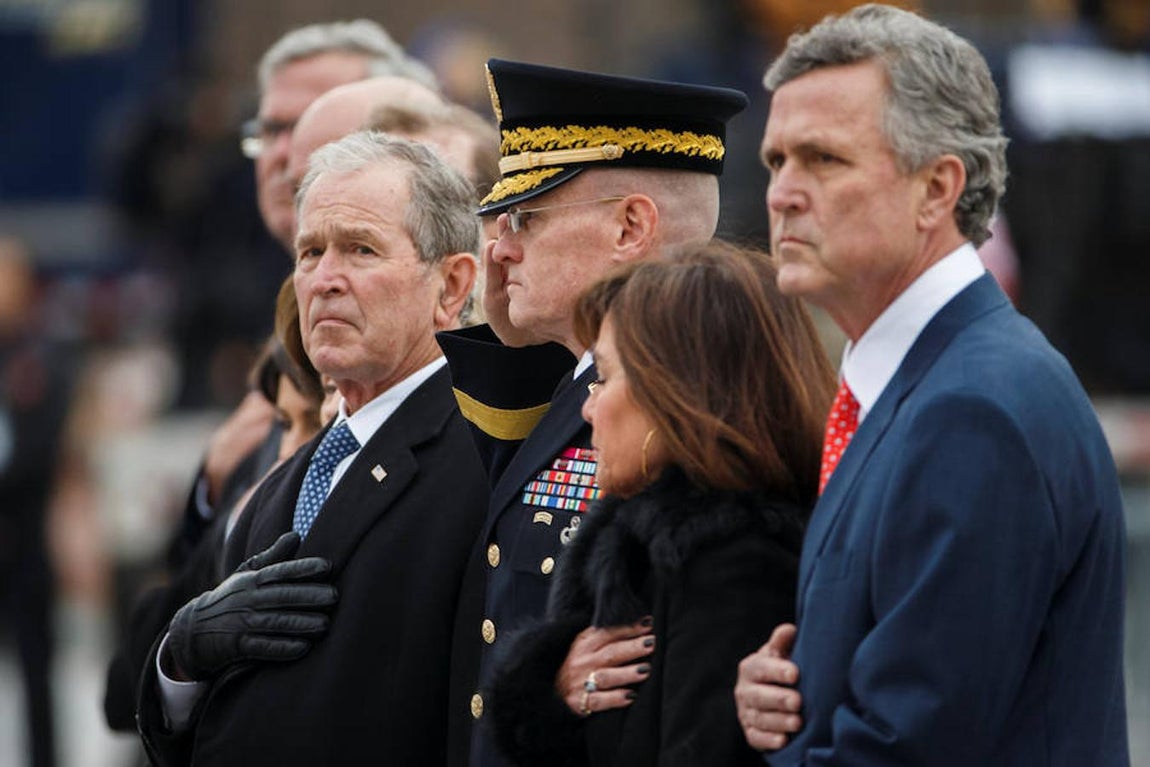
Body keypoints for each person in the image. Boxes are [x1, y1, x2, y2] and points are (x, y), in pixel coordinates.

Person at [732, 5, 1129, 765]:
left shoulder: (974, 410)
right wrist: (789, 691)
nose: (783, 192)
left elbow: (906, 747)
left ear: (938, 188)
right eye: (776, 161)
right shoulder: (917, 379)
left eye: (823, 159)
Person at [136, 131, 487, 766]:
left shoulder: (485, 458)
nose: (325, 279)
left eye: (360, 249)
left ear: (451, 285)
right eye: (309, 253)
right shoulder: (292, 473)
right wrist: (179, 659)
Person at [437, 58, 748, 766]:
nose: (499, 246)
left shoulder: (698, 408)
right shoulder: (577, 381)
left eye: (525, 216)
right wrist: (509, 329)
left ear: (630, 226)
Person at [485, 242, 836, 765]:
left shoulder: (733, 562)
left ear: (675, 392)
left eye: (605, 377)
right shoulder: (643, 544)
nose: (589, 406)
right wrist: (551, 694)